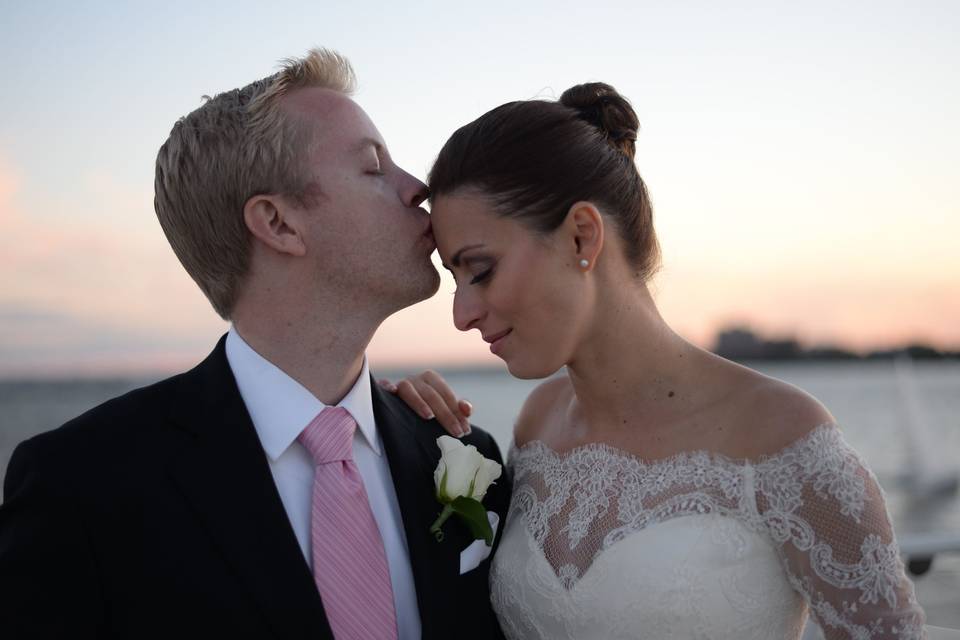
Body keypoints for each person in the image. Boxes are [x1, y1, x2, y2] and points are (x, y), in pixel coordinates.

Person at [0, 48, 510, 640]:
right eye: (374, 167)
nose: (418, 188)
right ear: (279, 224)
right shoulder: (81, 486)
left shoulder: (464, 454)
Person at [386, 82, 927, 638]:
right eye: (455, 280)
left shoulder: (783, 434)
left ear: (581, 237)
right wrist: (406, 432)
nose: (462, 313)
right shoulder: (538, 423)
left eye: (480, 270)